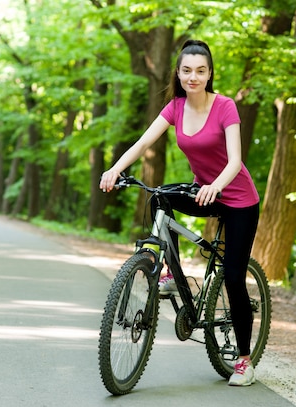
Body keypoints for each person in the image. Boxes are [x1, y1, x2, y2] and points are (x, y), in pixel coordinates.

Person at [99, 40, 260, 387]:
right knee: (159, 198)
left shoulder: (226, 107)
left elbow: (235, 161)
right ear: (179, 73)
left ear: (210, 73)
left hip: (238, 198)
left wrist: (216, 184)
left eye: (200, 71)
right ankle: (173, 273)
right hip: (205, 193)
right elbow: (143, 143)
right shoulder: (175, 107)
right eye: (187, 70)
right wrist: (114, 169)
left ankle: (244, 360)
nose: (193, 77)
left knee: (233, 278)